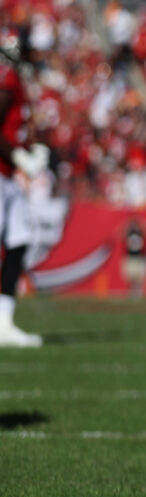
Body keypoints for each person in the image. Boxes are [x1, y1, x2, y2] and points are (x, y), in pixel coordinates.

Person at [0, 29, 43, 349]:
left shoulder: (16, 80)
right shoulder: (8, 79)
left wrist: (26, 150)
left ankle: (4, 322)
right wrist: (17, 154)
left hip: (8, 175)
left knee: (18, 243)